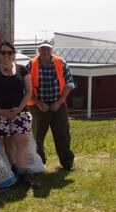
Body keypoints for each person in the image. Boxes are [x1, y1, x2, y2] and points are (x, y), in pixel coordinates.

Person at [0, 41, 36, 187]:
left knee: (23, 142)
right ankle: (14, 169)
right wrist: (0, 111)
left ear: (13, 54)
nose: (6, 55)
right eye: (3, 52)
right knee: (8, 143)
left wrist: (19, 108)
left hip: (20, 113)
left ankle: (23, 173)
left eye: (9, 52)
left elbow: (29, 92)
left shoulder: (22, 70)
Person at [26, 41, 75, 171]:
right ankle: (39, 165)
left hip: (58, 105)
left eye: (48, 49)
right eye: (42, 49)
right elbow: (25, 88)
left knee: (63, 135)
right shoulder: (31, 64)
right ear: (39, 51)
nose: (45, 52)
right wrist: (38, 103)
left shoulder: (61, 62)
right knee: (37, 137)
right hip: (37, 107)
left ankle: (67, 163)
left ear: (52, 51)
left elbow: (69, 84)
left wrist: (59, 102)